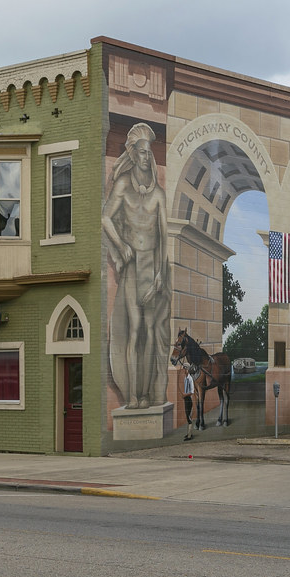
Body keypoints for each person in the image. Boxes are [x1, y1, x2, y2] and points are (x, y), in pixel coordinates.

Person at [103, 123, 171, 410]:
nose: (146, 157)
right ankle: (132, 395)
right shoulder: (122, 185)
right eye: (141, 152)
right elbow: (105, 218)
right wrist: (121, 245)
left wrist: (160, 275)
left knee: (150, 334)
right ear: (133, 153)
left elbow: (165, 238)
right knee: (135, 330)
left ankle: (145, 394)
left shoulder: (158, 194)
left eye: (149, 152)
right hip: (132, 267)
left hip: (152, 266)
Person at [182, 365, 198, 441]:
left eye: (186, 369)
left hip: (189, 399)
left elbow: (192, 391)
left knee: (189, 417)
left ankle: (189, 435)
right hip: (186, 398)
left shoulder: (190, 379)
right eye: (184, 369)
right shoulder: (185, 378)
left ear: (188, 370)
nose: (185, 371)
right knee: (187, 415)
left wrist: (185, 394)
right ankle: (188, 433)